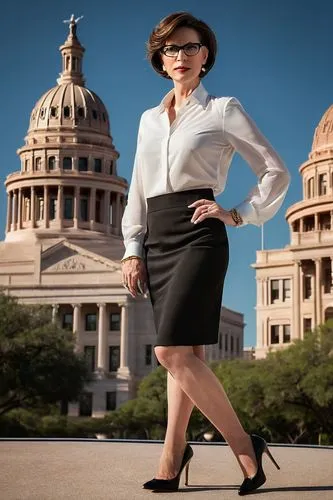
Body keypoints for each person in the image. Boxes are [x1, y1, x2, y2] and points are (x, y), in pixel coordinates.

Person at [121, 11, 290, 496]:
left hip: (199, 233)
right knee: (187, 354)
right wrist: (133, 248)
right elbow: (137, 187)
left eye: (190, 47)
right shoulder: (148, 120)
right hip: (157, 234)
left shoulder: (223, 110)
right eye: (171, 49)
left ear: (206, 55)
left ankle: (244, 447)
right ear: (160, 58)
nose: (181, 56)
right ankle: (173, 459)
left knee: (169, 350)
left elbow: (274, 170)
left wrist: (237, 214)